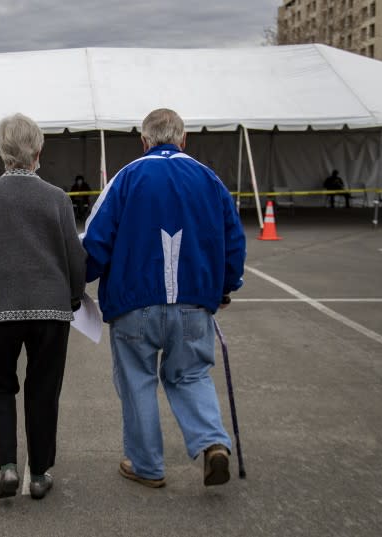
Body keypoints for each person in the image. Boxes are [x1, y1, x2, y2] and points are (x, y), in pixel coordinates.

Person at [82, 108, 246, 489]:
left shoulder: (127, 178)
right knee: (191, 374)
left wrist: (79, 280)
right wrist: (224, 286)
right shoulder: (210, 180)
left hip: (133, 304)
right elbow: (234, 241)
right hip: (193, 302)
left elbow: (95, 241)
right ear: (183, 139)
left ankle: (146, 465)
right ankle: (212, 442)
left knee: (137, 380)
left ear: (144, 141)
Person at [0, 113, 86, 500]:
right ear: (38, 152)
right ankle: (39, 474)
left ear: (0, 151)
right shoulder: (57, 199)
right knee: (44, 391)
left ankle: (8, 465)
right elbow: (75, 257)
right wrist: (74, 295)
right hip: (50, 313)